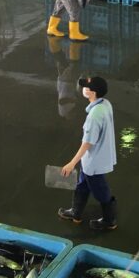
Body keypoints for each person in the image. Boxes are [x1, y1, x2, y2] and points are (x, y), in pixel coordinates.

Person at [58, 76, 118, 231]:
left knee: (101, 191)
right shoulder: (105, 104)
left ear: (92, 92)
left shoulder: (94, 115)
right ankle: (75, 213)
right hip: (92, 159)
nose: (83, 88)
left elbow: (88, 143)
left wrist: (72, 163)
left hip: (94, 161)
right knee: (82, 186)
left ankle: (109, 220)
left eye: (86, 87)